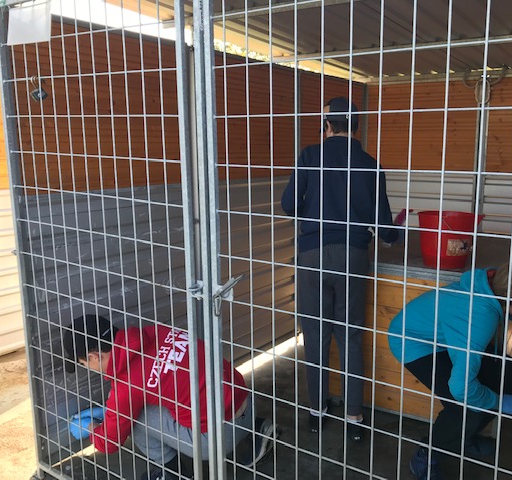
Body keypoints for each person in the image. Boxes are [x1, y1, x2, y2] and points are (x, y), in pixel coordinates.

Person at [281, 97, 398, 442]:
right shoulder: (371, 165)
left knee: (316, 335)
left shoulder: (310, 155)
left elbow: (289, 205)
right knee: (350, 336)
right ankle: (354, 417)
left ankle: (317, 412)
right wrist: (396, 233)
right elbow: (385, 227)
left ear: (328, 125)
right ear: (356, 127)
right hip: (353, 257)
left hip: (312, 256)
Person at [387, 260, 512, 480]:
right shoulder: (479, 318)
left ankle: (462, 436)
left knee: (511, 375)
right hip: (414, 341)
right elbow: (460, 388)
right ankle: (427, 455)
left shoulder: (499, 285)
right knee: (466, 408)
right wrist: (498, 402)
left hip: (447, 335)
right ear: (511, 305)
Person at [63, 314, 276, 480]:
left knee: (135, 418)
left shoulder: (126, 385)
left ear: (93, 356)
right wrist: (113, 409)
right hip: (247, 402)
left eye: (84, 364)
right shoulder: (156, 332)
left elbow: (108, 443)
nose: (89, 368)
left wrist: (91, 427)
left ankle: (173, 474)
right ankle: (257, 428)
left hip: (218, 438)